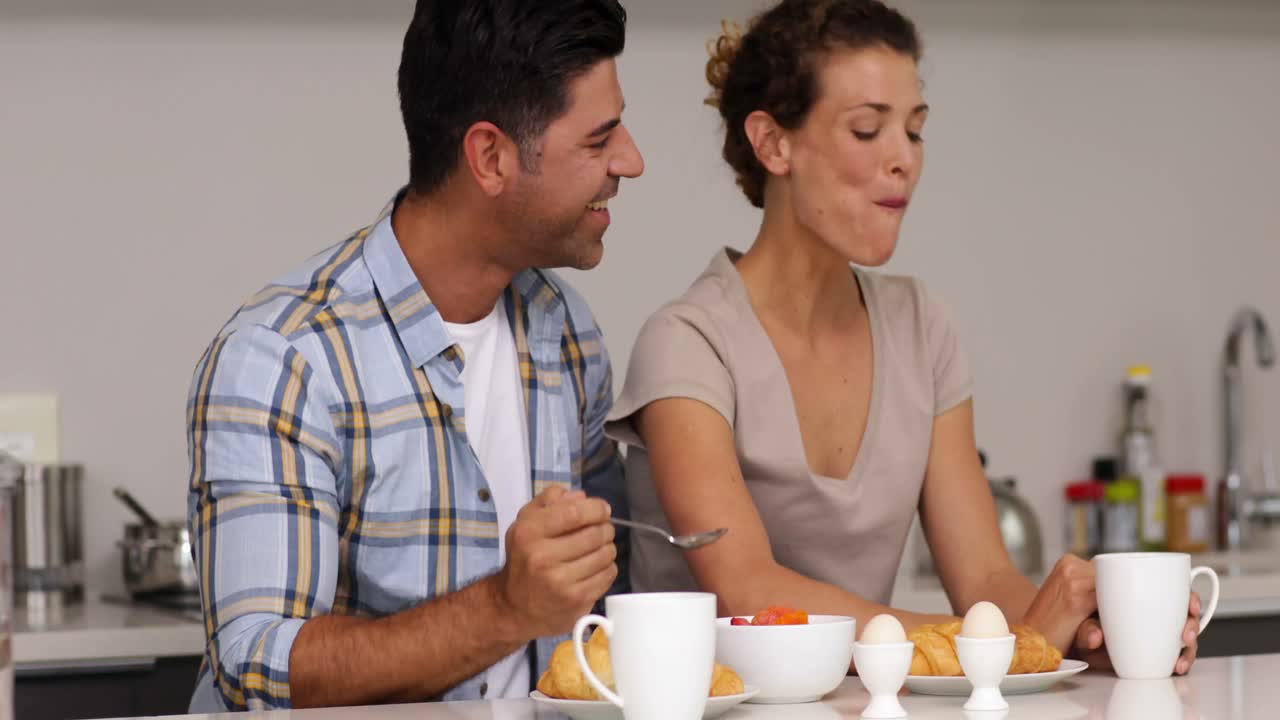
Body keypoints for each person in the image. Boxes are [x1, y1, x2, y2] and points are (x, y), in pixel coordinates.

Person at [605, 0, 1201, 674]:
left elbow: (984, 582)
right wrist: (1006, 645)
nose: (904, 162)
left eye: (914, 132)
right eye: (867, 130)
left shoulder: (922, 328)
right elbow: (748, 592)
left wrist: (1091, 625)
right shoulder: (686, 344)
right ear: (775, 144)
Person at [185, 0, 644, 711]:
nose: (631, 161)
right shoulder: (285, 359)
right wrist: (505, 608)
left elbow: (599, 607)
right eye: (599, 139)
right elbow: (257, 665)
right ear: (490, 157)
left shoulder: (567, 334)